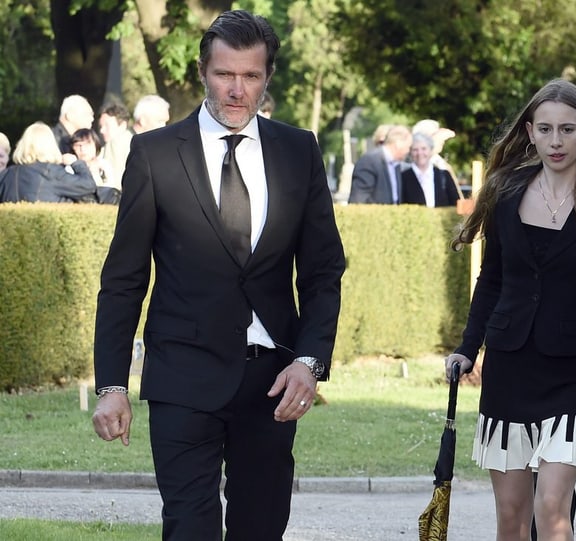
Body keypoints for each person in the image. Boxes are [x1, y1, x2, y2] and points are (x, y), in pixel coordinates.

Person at [90, 10, 346, 541]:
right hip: (182, 376)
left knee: (260, 528)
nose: (237, 90)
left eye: (250, 76)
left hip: (272, 383)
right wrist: (112, 384)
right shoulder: (155, 154)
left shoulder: (299, 151)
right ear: (203, 71)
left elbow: (323, 272)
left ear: (266, 78)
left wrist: (309, 361)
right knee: (189, 528)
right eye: (225, 74)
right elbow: (124, 279)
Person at [442, 78, 576, 541]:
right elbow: (492, 278)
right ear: (531, 133)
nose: (556, 142)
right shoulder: (506, 191)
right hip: (510, 365)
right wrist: (467, 347)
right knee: (512, 515)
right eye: (545, 129)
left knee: (552, 503)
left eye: (567, 130)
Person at [0, 121, 98, 203]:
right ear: (50, 145)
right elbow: (88, 186)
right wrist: (76, 163)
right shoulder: (52, 172)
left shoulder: (7, 174)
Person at [347, 124, 412, 204]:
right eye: (408, 147)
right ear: (398, 143)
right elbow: (358, 200)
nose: (409, 151)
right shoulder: (369, 162)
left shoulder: (396, 166)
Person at [400, 132, 460, 207]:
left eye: (424, 148)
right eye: (415, 149)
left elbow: (456, 204)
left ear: (431, 151)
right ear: (410, 152)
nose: (420, 153)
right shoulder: (403, 177)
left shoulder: (444, 175)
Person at [98, 101, 134, 180]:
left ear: (122, 125)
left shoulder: (116, 143)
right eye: (101, 126)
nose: (102, 130)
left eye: (107, 125)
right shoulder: (133, 143)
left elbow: (114, 182)